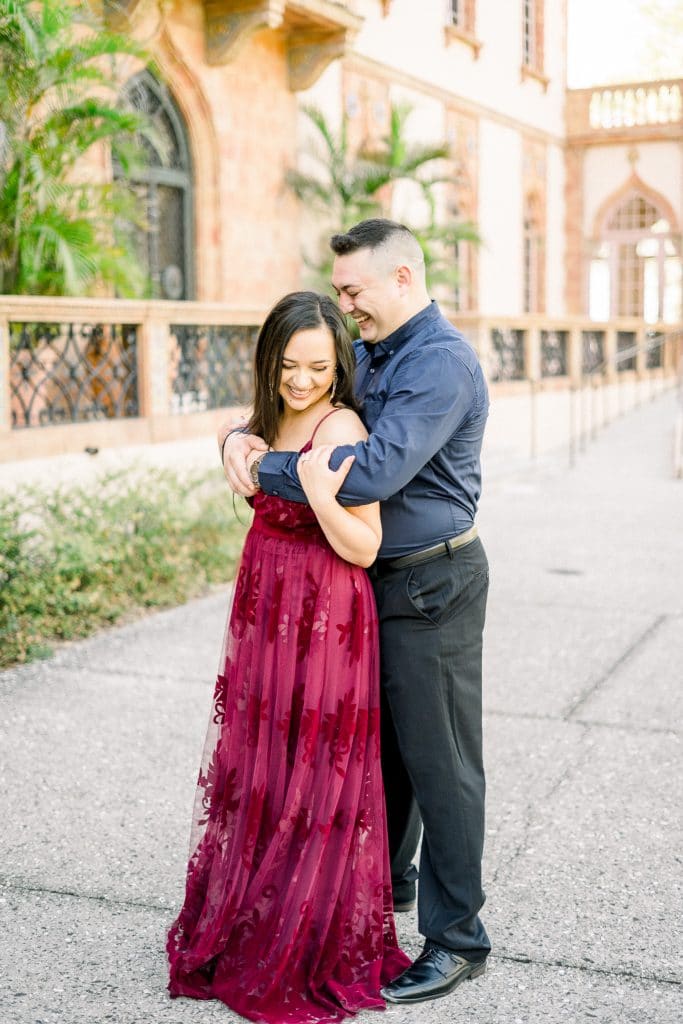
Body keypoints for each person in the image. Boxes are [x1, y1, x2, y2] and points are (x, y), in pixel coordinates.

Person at [221, 219, 491, 1005]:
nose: (344, 305)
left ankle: (457, 939)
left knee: (440, 762)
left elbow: (366, 470)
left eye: (352, 291)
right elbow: (308, 401)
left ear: (401, 278)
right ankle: (389, 887)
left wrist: (254, 465)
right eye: (338, 291)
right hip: (369, 583)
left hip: (432, 582)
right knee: (383, 752)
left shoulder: (438, 364)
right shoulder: (375, 351)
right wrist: (236, 436)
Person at [167, 290, 410, 1023]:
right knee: (264, 756)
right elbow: (238, 434)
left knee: (315, 764)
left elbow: (364, 546)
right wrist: (231, 442)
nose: (300, 380)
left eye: (316, 367)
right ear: (268, 361)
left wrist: (318, 492)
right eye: (287, 366)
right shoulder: (267, 415)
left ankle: (300, 921)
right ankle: (251, 905)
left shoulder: (343, 424)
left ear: (337, 365)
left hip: (326, 608)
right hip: (265, 600)